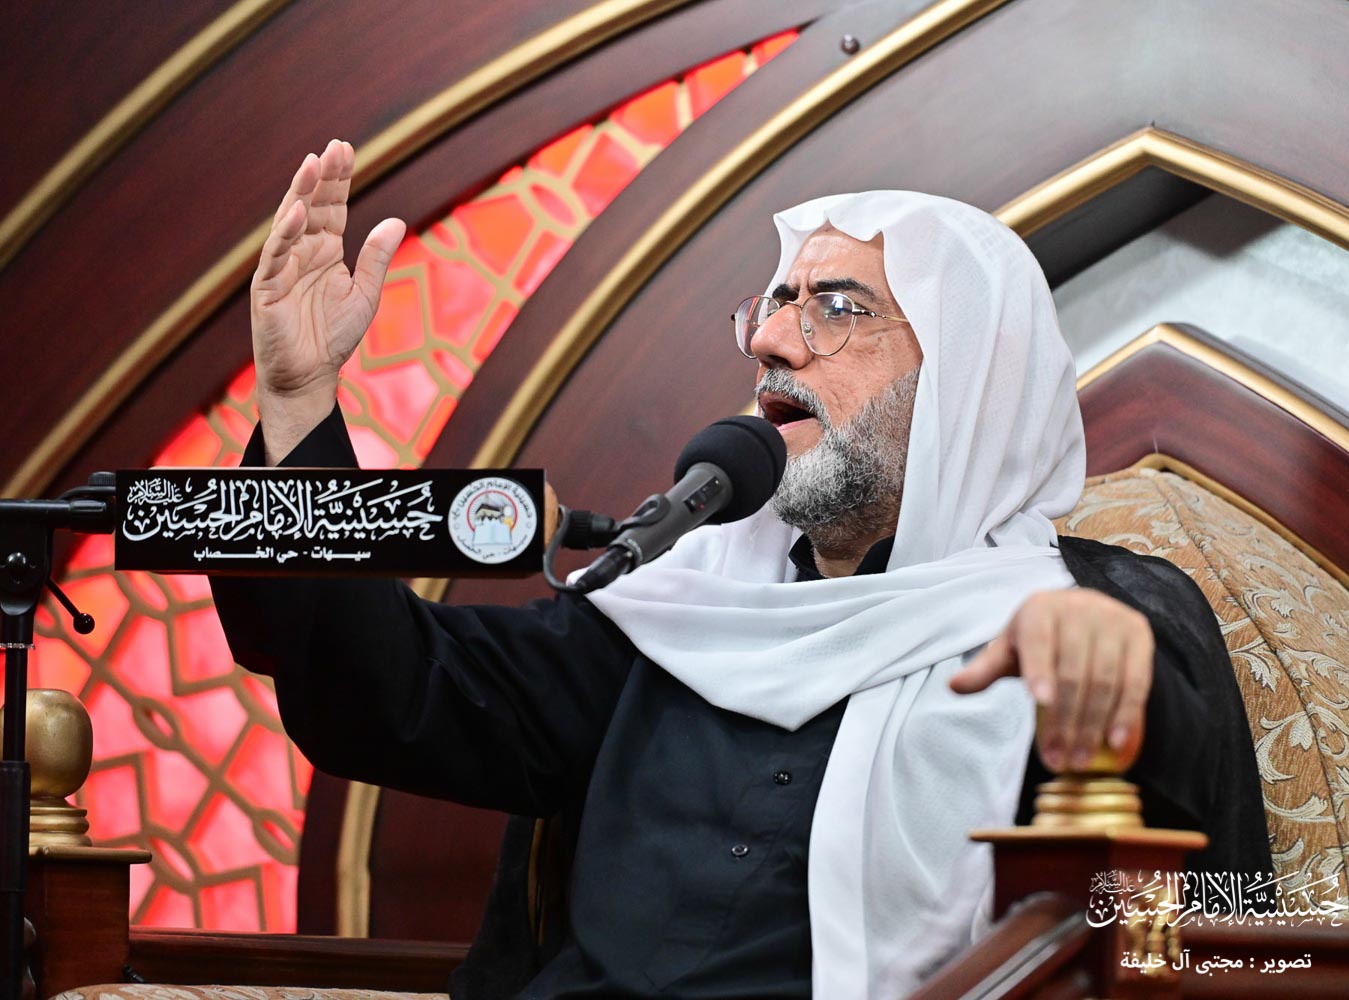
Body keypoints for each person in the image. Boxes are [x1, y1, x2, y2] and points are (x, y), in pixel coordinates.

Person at [213, 140, 1271, 999]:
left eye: (836, 308)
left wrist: (1113, 684)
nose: (772, 340)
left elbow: (1194, 925)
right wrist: (298, 402)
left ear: (966, 379)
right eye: (773, 304)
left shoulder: (1087, 615)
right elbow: (390, 690)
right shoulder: (680, 602)